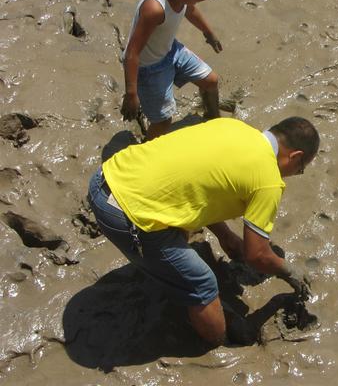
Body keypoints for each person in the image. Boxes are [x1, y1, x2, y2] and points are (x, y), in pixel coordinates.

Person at [87, 117, 320, 346]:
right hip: (122, 214)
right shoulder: (268, 180)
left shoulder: (232, 126)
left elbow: (199, 183)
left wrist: (225, 235)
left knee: (181, 228)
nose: (294, 175)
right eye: (300, 169)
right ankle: (219, 346)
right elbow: (256, 254)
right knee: (203, 284)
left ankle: (168, 275)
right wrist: (289, 272)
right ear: (295, 156)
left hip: (105, 177)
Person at [120, 0, 224, 140]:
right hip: (149, 67)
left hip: (172, 50)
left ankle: (213, 119)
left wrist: (208, 32)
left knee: (211, 81)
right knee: (163, 121)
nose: (197, 4)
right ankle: (146, 152)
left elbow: (189, 9)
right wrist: (131, 94)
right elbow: (131, 53)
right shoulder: (154, 9)